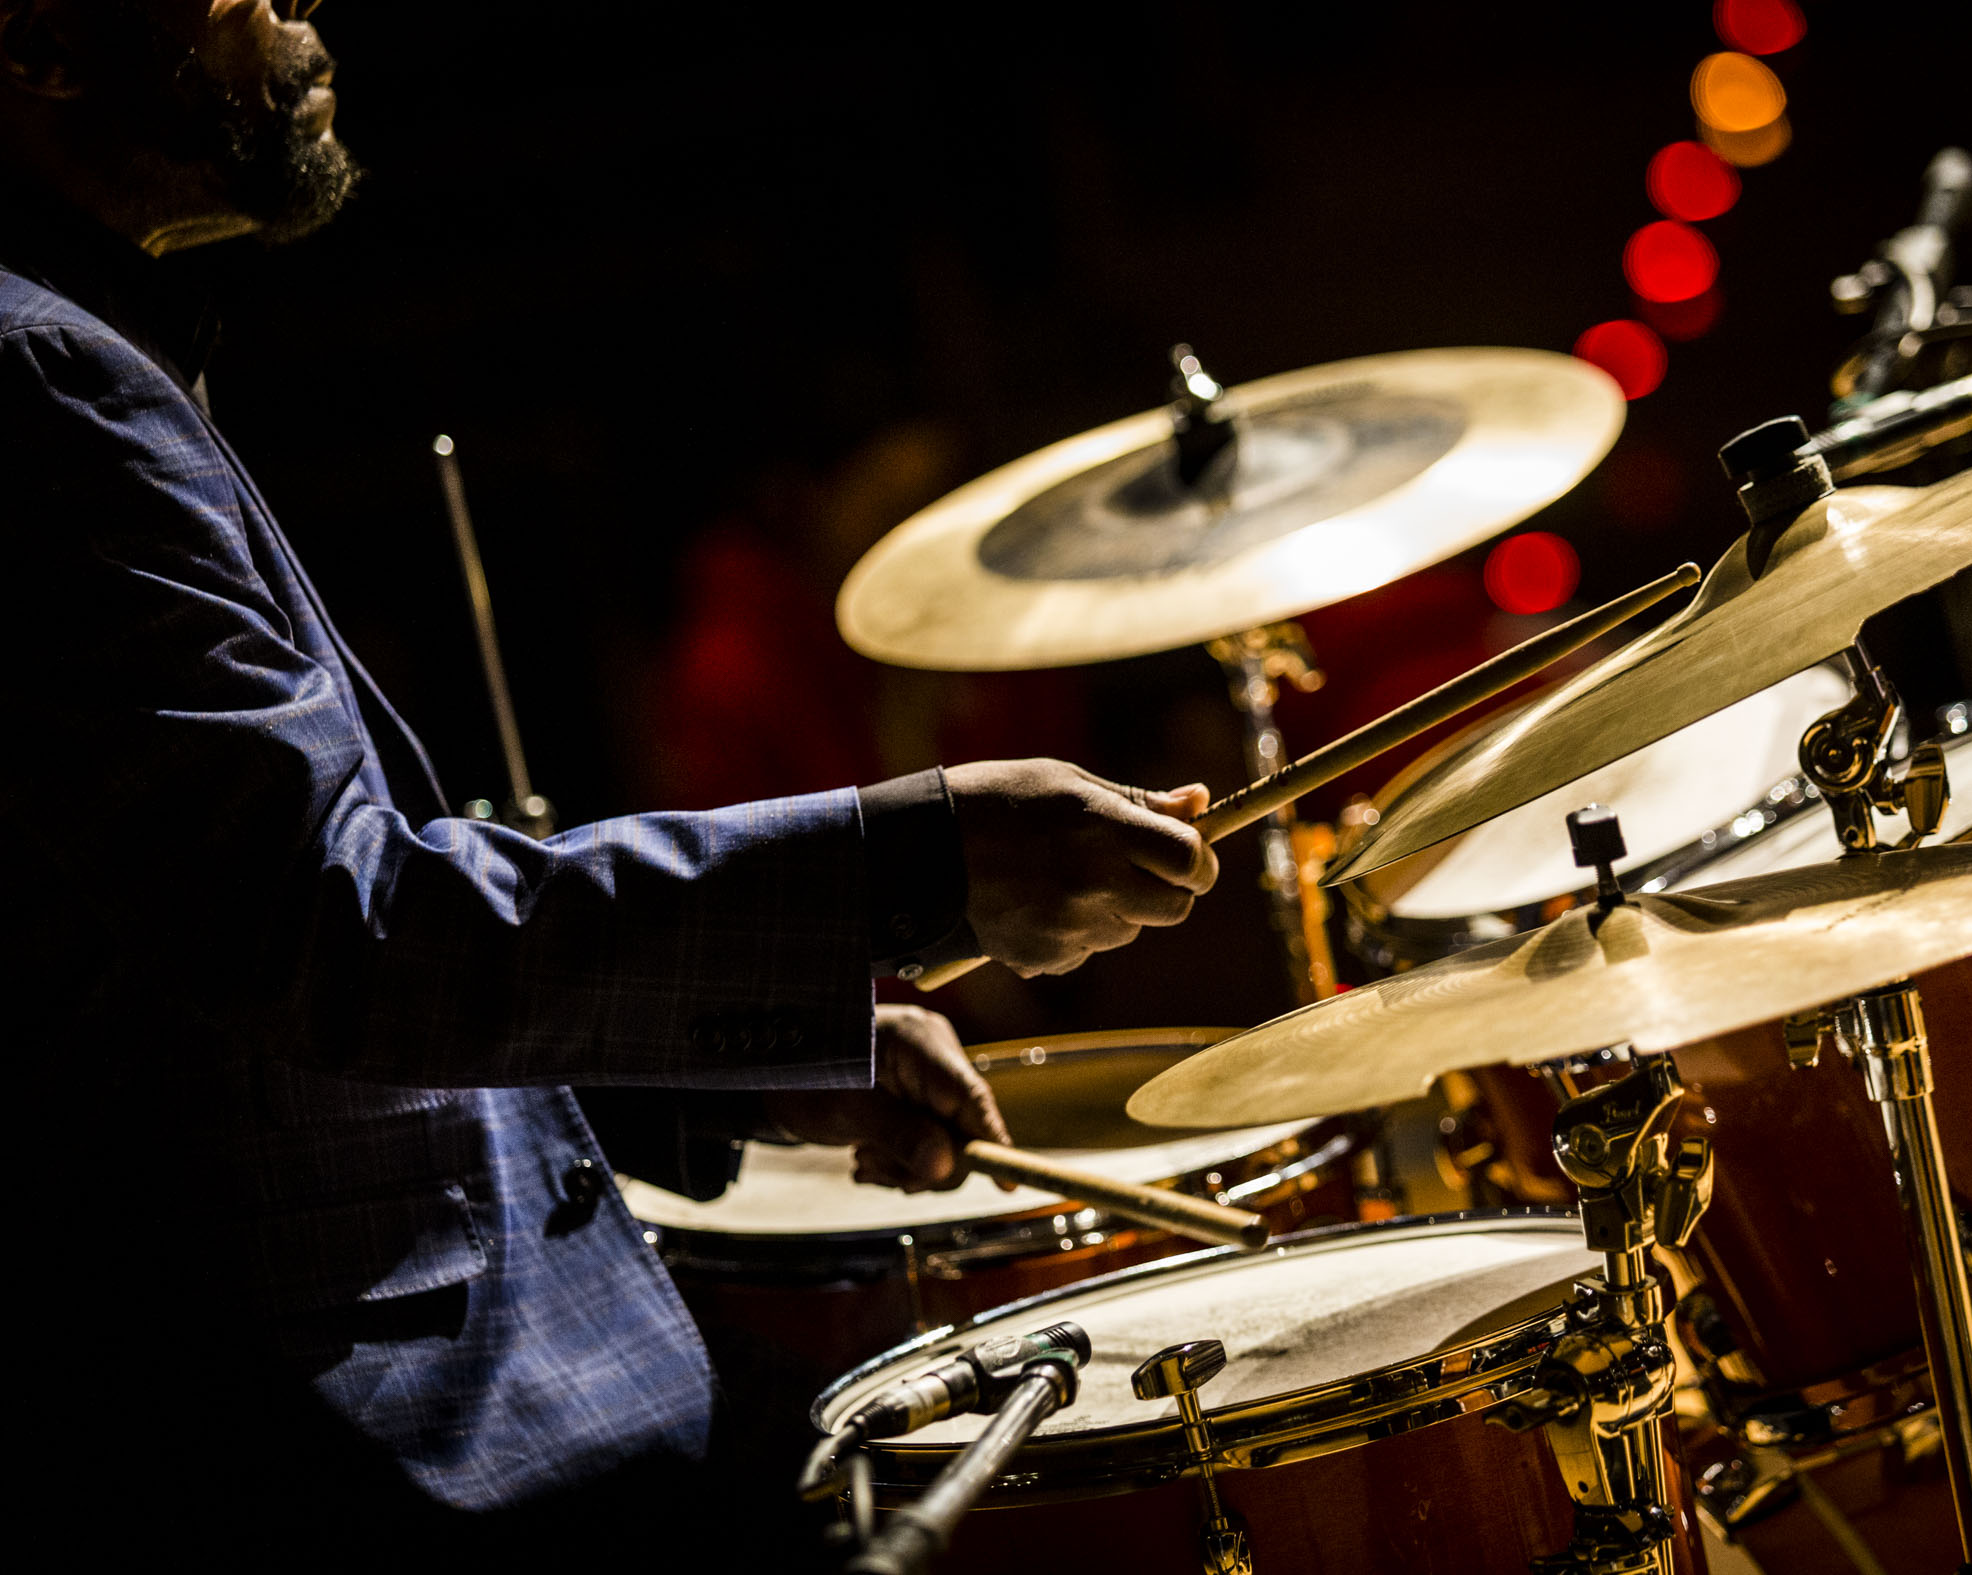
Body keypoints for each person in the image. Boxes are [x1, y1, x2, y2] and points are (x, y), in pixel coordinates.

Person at [0, 1, 1216, 1557]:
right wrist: (911, 869)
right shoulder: (31, 381)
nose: (302, 14)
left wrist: (712, 1057)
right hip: (365, 1443)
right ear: (41, 40)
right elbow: (329, 925)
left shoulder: (80, 353)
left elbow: (182, 988)